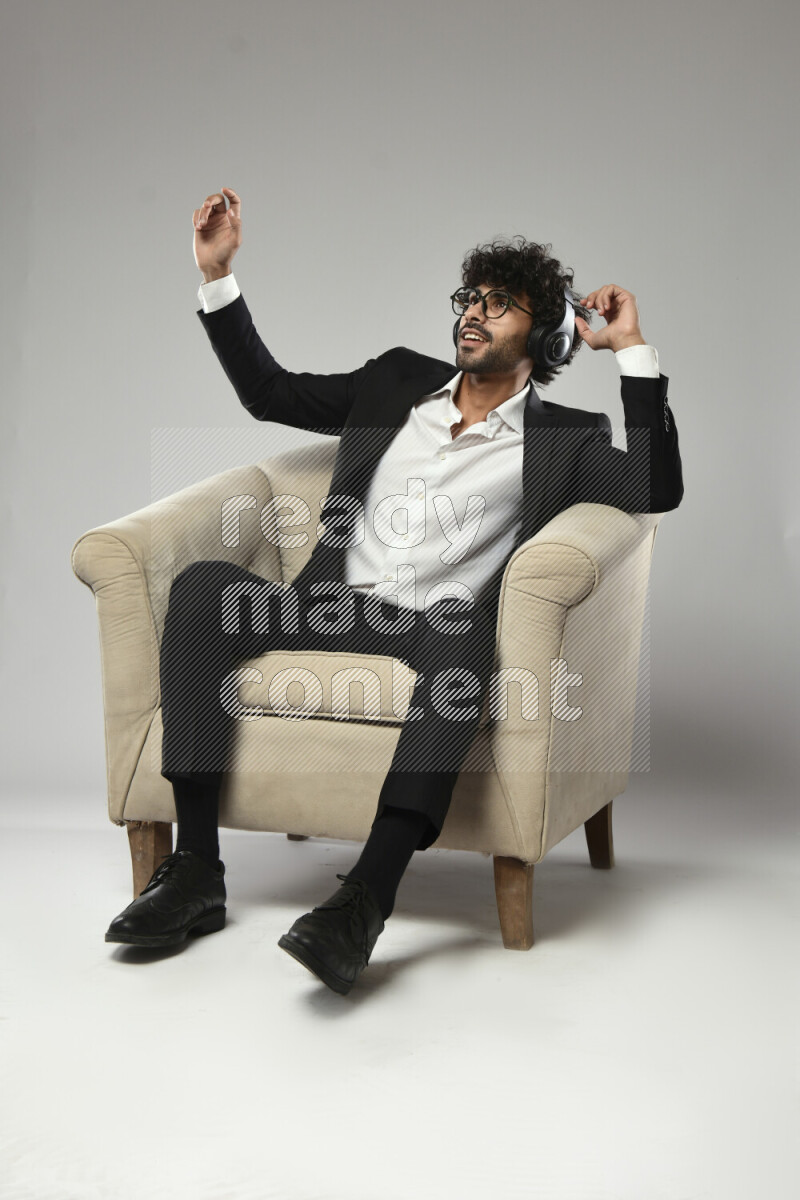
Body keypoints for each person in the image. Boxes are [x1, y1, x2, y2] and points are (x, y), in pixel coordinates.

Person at [105, 187, 683, 994]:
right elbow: (271, 394)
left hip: (431, 628)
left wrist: (631, 350)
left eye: (502, 305)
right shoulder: (393, 384)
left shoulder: (564, 438)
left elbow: (654, 487)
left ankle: (364, 900)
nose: (474, 314)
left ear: (545, 336)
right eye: (469, 299)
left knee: (464, 634)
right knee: (203, 589)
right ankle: (197, 870)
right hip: (330, 606)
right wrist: (218, 277)